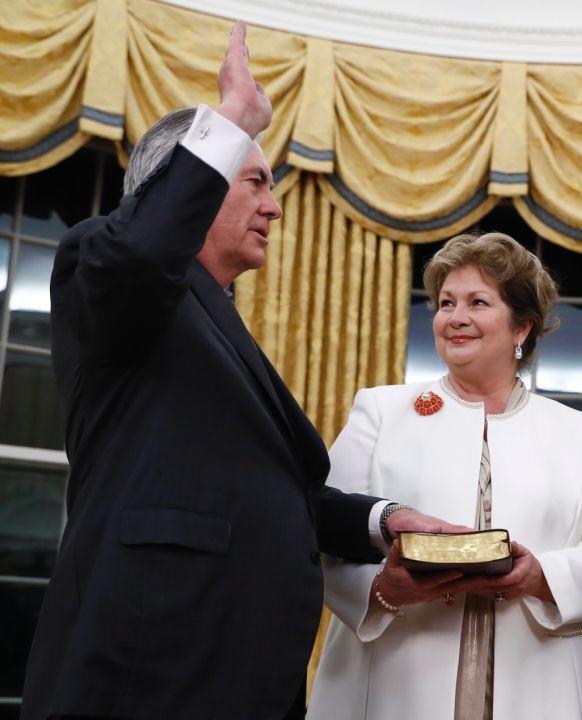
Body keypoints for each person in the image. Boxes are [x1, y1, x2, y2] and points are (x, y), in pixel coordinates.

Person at [23, 22, 454, 720]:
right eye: (254, 181)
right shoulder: (104, 267)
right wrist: (231, 123)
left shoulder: (210, 319)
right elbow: (139, 252)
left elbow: (275, 493)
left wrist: (385, 521)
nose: (275, 205)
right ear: (186, 184)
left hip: (238, 674)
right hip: (146, 668)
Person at [308, 231, 582, 720]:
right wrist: (383, 589)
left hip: (535, 680)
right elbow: (322, 534)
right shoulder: (379, 411)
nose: (455, 318)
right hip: (396, 678)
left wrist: (539, 576)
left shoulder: (577, 431)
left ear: (522, 327)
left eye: (477, 302)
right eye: (445, 303)